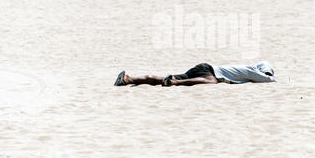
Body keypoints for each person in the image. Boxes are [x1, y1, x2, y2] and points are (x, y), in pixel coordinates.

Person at [114, 61, 276, 87]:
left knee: (165, 79)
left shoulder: (244, 69)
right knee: (212, 82)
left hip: (204, 67)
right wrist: (270, 76)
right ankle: (175, 83)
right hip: (209, 71)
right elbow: (268, 80)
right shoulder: (250, 70)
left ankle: (128, 79)